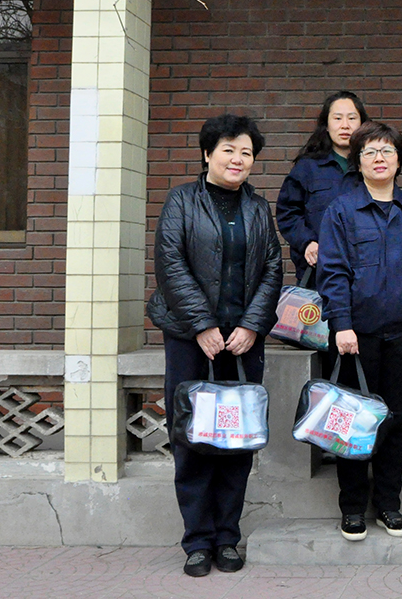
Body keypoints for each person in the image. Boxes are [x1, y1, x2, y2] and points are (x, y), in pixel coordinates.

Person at [147, 114, 282, 577]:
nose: (237, 159)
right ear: (207, 154)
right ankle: (197, 540)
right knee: (192, 437)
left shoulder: (258, 208)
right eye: (228, 150)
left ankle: (227, 536)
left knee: (236, 438)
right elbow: (170, 263)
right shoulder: (181, 201)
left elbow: (272, 268)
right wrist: (202, 325)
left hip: (242, 342)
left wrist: (252, 326)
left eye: (246, 152)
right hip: (191, 340)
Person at [316, 122, 402, 542]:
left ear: (400, 160)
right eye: (369, 152)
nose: (379, 158)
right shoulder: (342, 210)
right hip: (357, 335)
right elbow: (333, 271)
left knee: (396, 418)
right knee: (353, 419)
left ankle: (389, 504)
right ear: (358, 161)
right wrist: (342, 324)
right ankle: (352, 508)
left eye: (387, 151)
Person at [275, 91, 368, 283]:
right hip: (319, 273)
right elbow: (287, 212)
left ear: (362, 124)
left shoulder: (370, 166)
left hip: (366, 272)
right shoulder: (308, 167)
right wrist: (306, 241)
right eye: (337, 118)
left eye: (352, 118)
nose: (345, 125)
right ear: (326, 125)